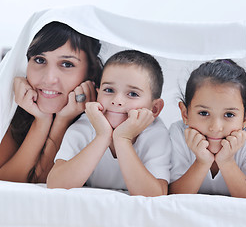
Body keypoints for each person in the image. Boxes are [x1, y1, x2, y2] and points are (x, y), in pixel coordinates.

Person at [47, 50, 171, 197]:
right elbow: (56, 185)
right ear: (97, 93)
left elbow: (155, 195)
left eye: (132, 94)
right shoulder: (84, 127)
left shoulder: (155, 134)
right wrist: (102, 136)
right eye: (109, 90)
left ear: (155, 108)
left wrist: (122, 139)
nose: (117, 100)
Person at [0, 21, 102, 183]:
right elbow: (7, 182)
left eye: (67, 64)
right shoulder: (10, 102)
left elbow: (46, 182)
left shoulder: (103, 117)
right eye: (40, 60)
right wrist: (41, 122)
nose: (49, 79)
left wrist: (62, 121)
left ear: (90, 71)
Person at [168, 59, 246, 198]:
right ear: (185, 113)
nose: (215, 127)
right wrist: (202, 162)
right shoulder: (179, 133)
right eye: (204, 113)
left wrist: (227, 162)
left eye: (229, 114)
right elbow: (171, 197)